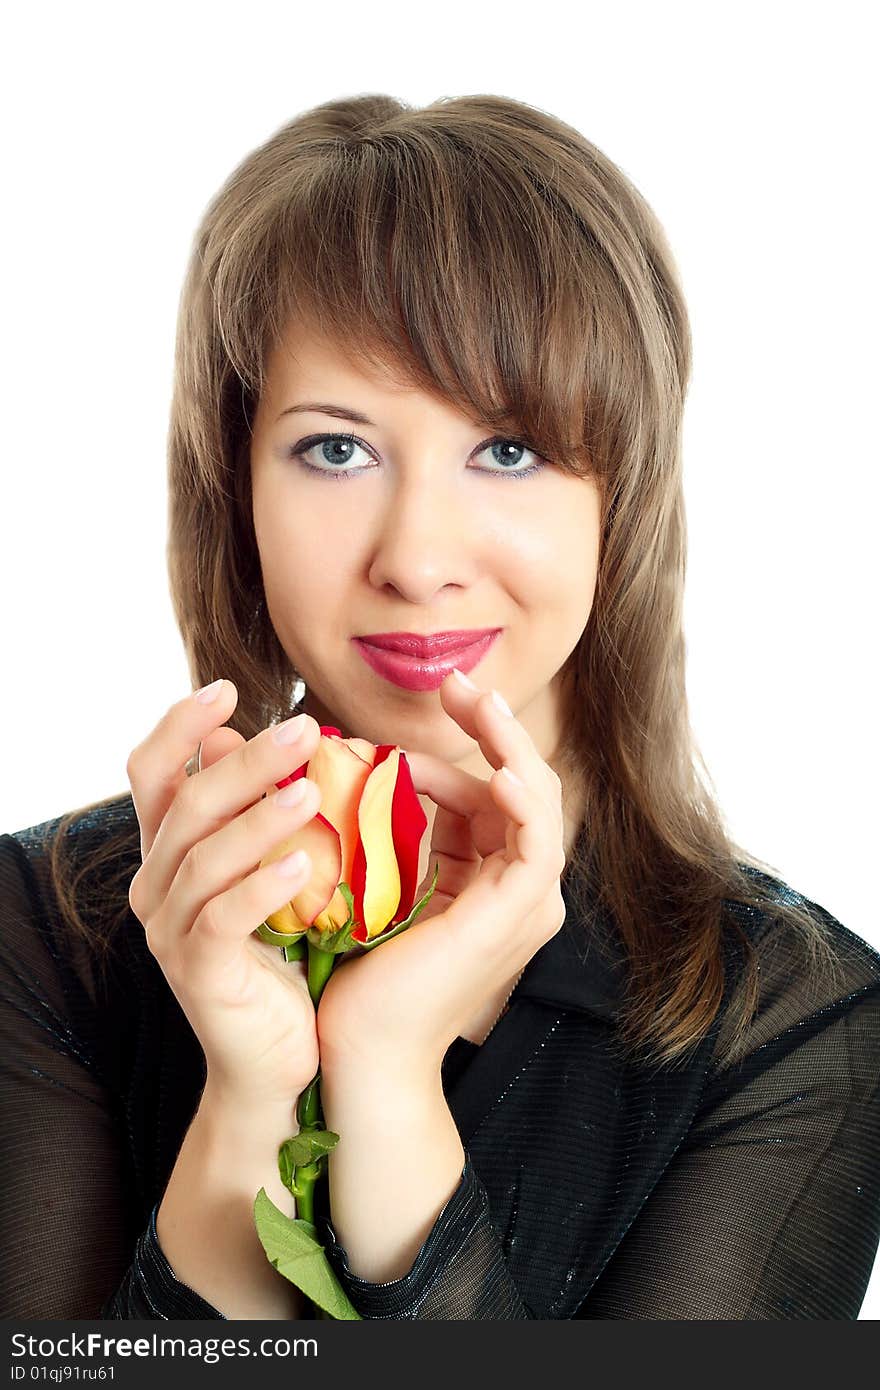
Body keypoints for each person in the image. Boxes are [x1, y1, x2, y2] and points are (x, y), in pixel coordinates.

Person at [1, 91, 878, 1322]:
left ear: (618, 493)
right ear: (234, 485)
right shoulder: (43, 927)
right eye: (335, 449)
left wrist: (385, 1082)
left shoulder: (792, 1017)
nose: (416, 558)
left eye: (508, 449)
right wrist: (253, 1095)